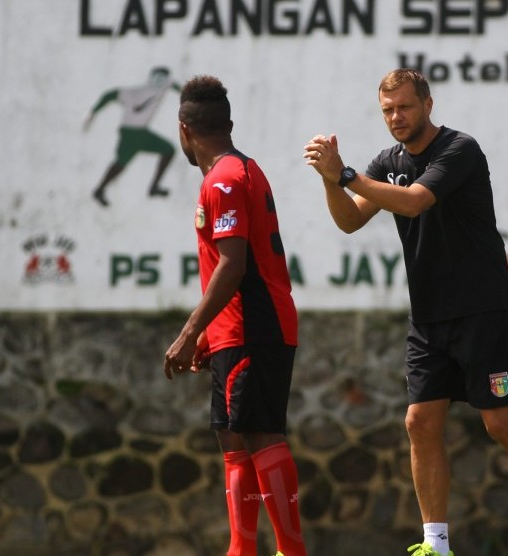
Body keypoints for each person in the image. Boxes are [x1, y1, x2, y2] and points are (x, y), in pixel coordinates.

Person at [303, 68, 508, 556]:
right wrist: (332, 182)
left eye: (404, 107)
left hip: (482, 309)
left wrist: (348, 175)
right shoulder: (386, 162)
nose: (396, 117)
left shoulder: (459, 149)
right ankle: (436, 544)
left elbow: (414, 203)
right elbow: (349, 221)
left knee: (500, 424)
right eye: (387, 110)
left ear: (428, 104)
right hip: (428, 316)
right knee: (419, 422)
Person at [164, 75, 307, 556]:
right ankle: (241, 550)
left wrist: (188, 332)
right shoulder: (237, 171)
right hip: (235, 328)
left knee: (261, 432)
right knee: (232, 435)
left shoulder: (223, 179)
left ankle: (291, 549)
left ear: (184, 130)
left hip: (254, 325)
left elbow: (233, 263)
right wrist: (210, 334)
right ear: (228, 123)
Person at [84, 66, 180, 207]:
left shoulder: (158, 86)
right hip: (134, 133)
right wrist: (93, 111)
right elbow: (109, 95)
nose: (160, 81)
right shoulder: (138, 92)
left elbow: (109, 95)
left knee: (121, 163)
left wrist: (94, 111)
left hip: (135, 132)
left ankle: (100, 189)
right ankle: (152, 187)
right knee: (166, 151)